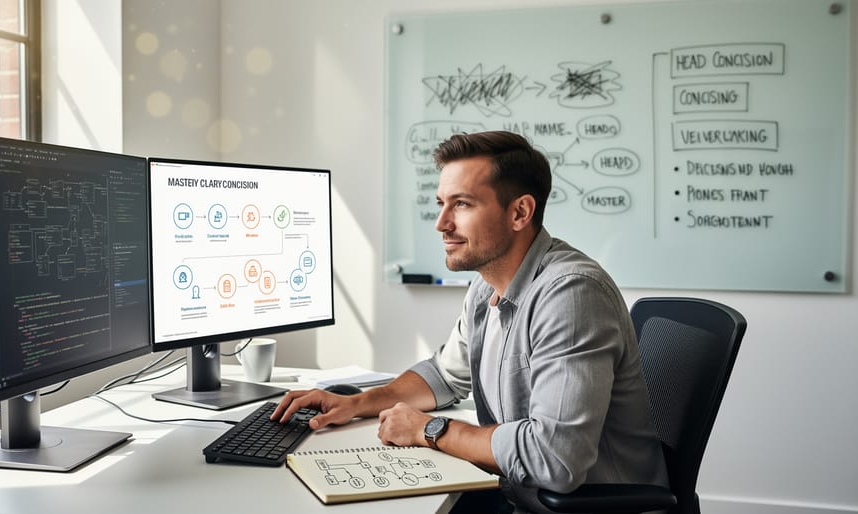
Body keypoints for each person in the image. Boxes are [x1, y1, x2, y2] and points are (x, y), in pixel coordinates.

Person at [272, 130, 668, 512]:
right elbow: (444, 375)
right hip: (518, 496)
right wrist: (357, 403)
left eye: (461, 204)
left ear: (520, 212)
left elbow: (556, 459)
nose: (441, 223)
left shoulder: (571, 294)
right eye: (442, 202)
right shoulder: (486, 287)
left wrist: (430, 431)